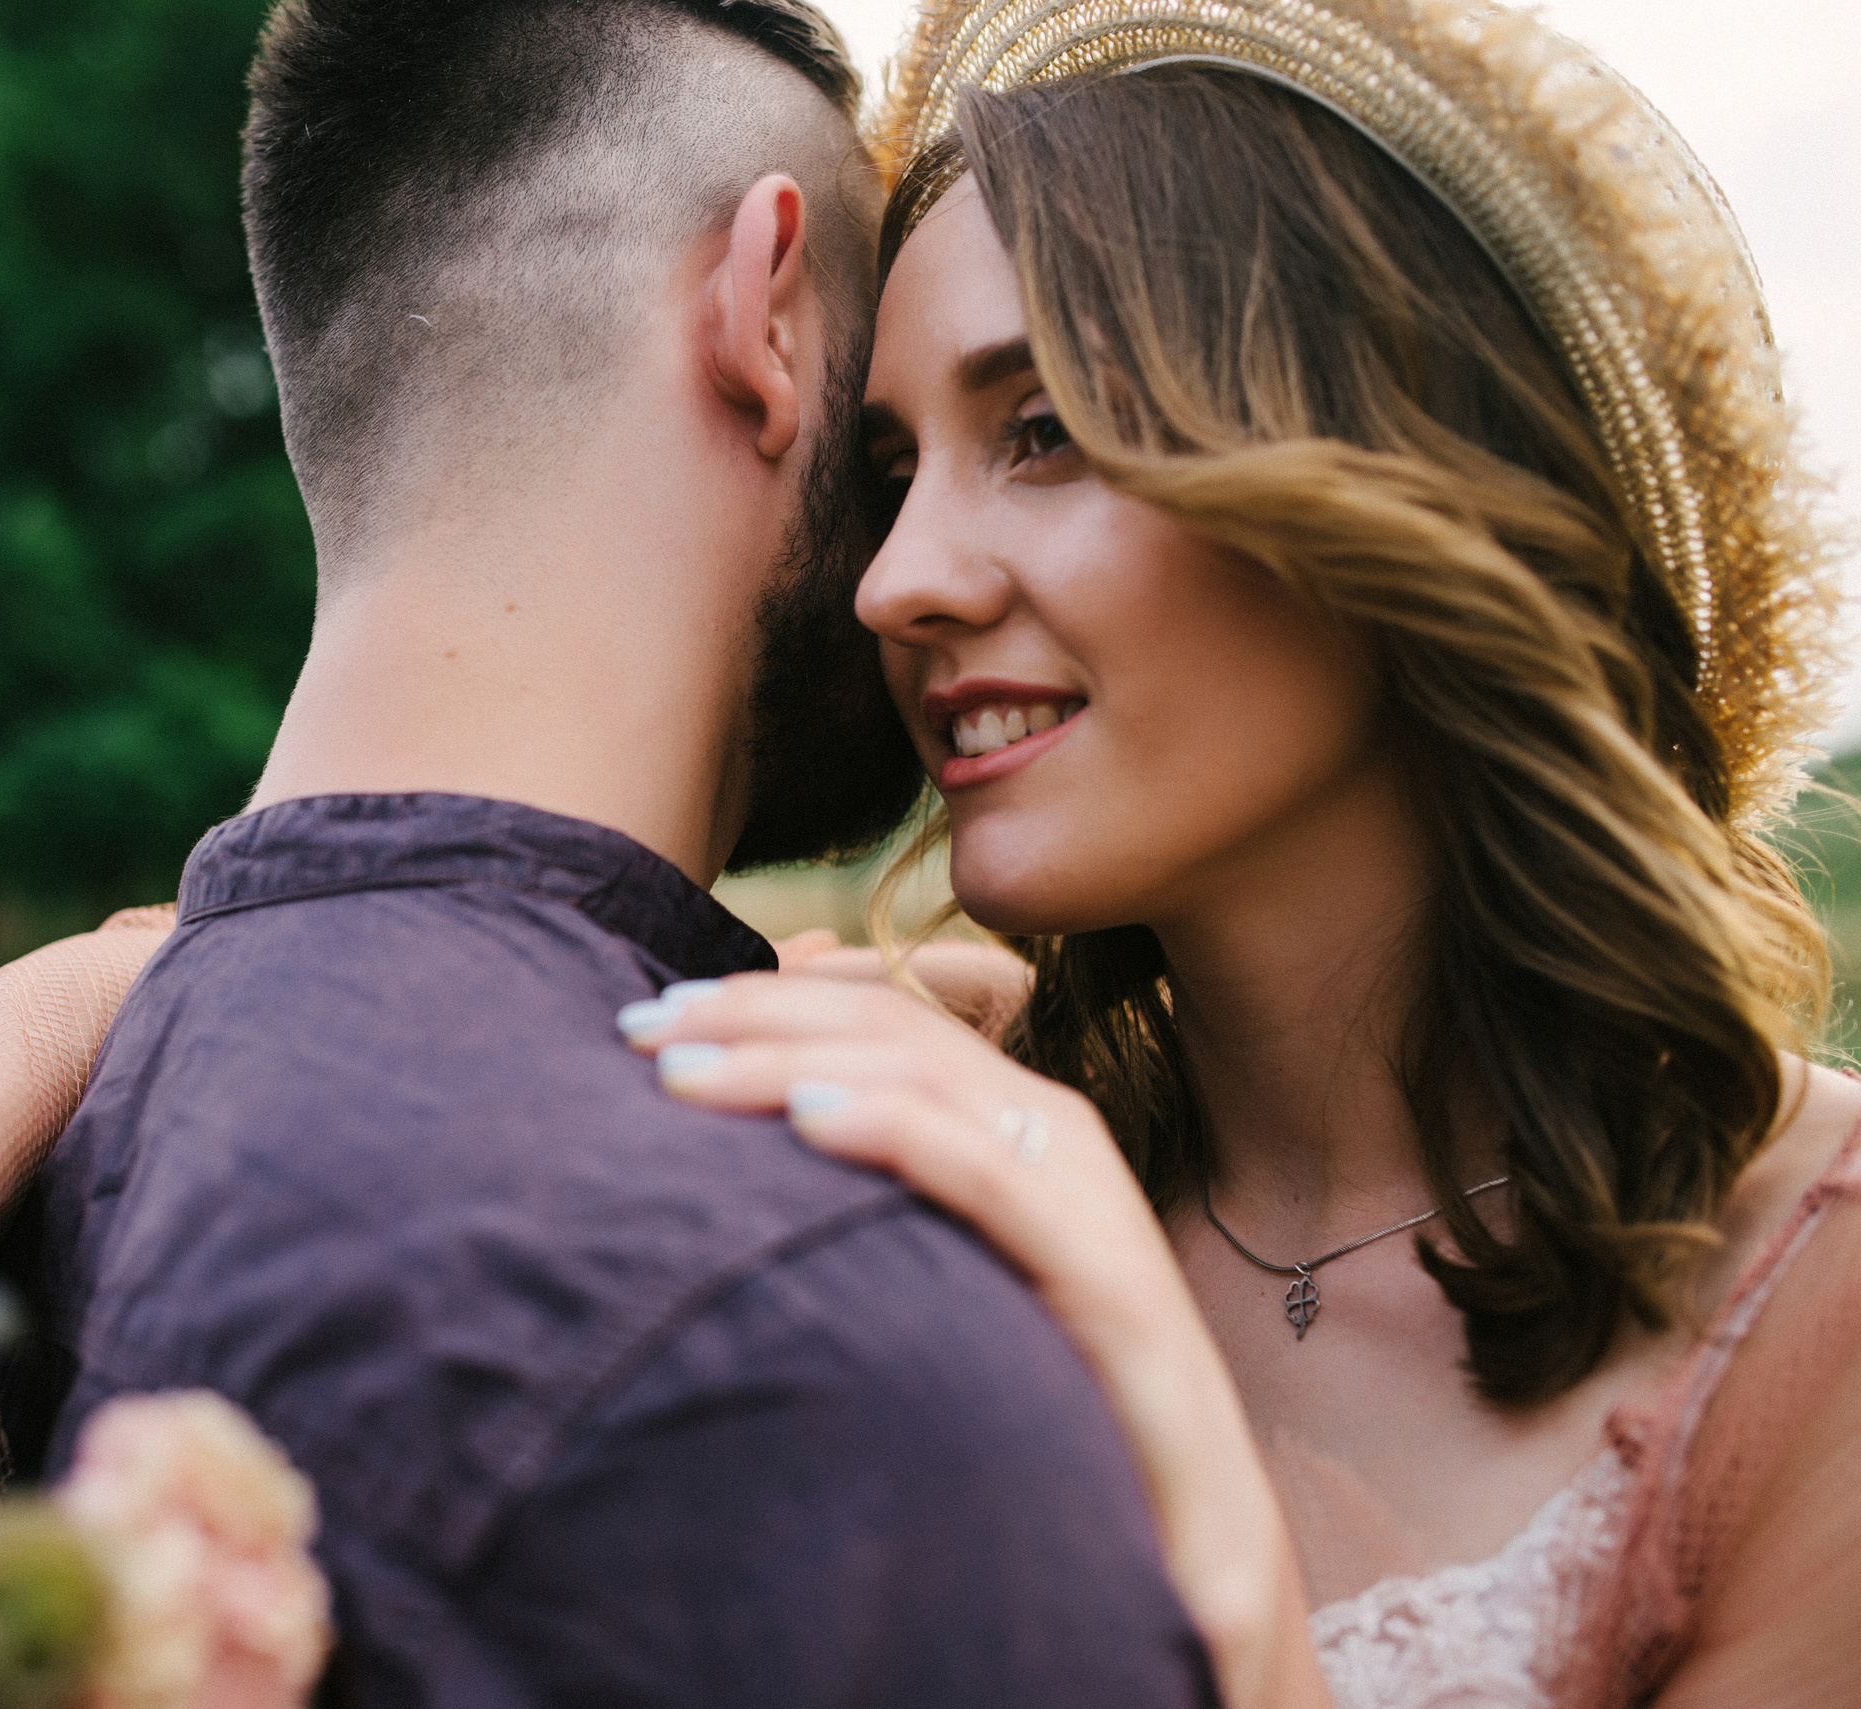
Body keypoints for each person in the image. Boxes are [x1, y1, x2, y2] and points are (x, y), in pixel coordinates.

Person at [0, 1, 1215, 1705]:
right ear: (765, 309)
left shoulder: (80, 1139)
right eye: (885, 437)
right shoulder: (819, 1336)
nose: (918, 561)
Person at [629, 1, 1861, 1705]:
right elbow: (401, 972)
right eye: (894, 470)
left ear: (1404, 472)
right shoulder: (952, 1100)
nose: (894, 581)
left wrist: (1158, 1405)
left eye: (1043, 426)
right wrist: (125, 994)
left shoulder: (1821, 1304)